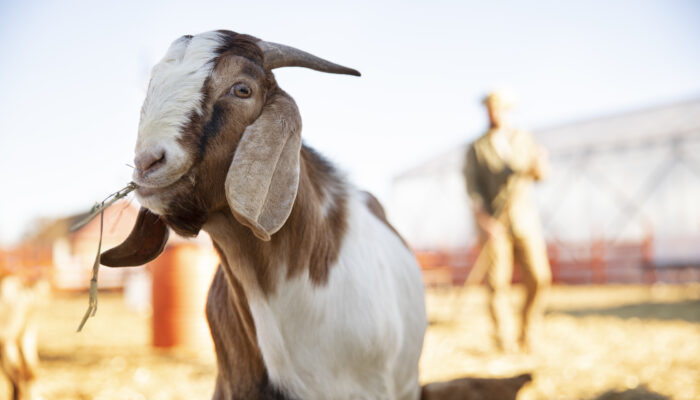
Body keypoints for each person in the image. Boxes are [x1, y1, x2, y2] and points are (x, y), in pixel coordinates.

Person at [463, 90, 552, 352]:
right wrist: (485, 222)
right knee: (497, 284)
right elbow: (473, 190)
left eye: (500, 107)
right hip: (494, 225)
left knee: (539, 277)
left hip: (524, 220)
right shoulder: (477, 148)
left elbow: (541, 175)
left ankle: (528, 333)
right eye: (491, 108)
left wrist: (540, 165)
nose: (495, 112)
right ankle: (504, 341)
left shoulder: (525, 140)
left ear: (508, 110)